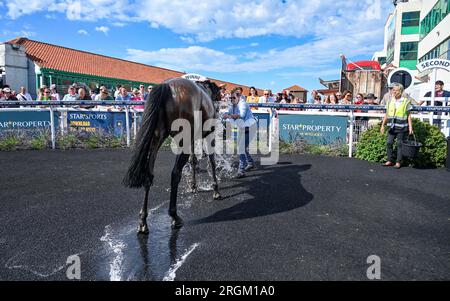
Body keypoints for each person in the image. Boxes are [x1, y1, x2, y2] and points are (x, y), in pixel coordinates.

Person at [223, 88, 257, 178]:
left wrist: (228, 115)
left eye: (233, 98)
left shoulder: (243, 104)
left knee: (241, 148)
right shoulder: (233, 104)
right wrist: (225, 114)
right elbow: (227, 112)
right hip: (242, 128)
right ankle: (250, 163)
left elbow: (241, 115)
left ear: (238, 97)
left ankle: (241, 170)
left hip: (250, 127)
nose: (232, 99)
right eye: (231, 98)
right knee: (242, 147)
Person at [380, 83, 413, 169]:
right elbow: (387, 114)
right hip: (391, 126)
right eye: (393, 90)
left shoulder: (406, 101)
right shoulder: (390, 100)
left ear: (401, 91)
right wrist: (382, 125)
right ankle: (389, 160)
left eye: (396, 90)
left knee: (399, 144)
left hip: (402, 127)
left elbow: (409, 115)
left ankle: (398, 162)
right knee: (389, 143)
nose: (394, 91)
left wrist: (410, 127)